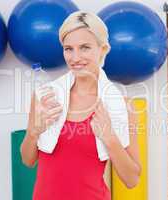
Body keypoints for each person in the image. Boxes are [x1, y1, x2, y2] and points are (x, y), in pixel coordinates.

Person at [20, 11, 141, 200]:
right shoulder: (45, 97)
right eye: (68, 49)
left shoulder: (121, 105)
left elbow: (132, 179)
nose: (75, 58)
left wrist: (110, 138)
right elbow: (27, 160)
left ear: (102, 49)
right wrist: (33, 132)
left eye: (84, 47)